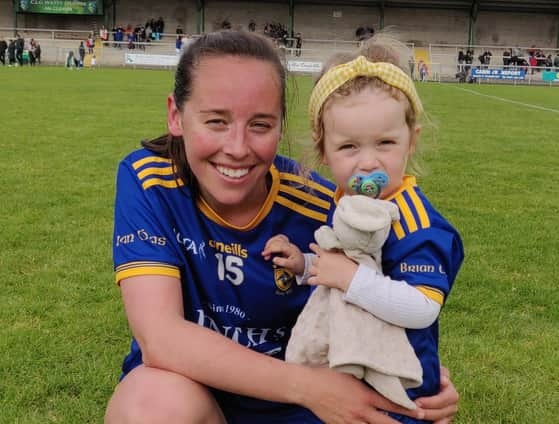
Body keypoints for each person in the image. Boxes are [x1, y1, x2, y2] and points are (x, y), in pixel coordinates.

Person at [105, 30, 459, 424]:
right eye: (216, 121)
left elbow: (397, 302)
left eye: (260, 125)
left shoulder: (335, 208)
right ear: (176, 115)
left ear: (281, 127)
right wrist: (308, 386)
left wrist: (424, 386)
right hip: (206, 393)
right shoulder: (150, 181)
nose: (237, 148)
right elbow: (161, 338)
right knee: (148, 405)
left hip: (298, 412)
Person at [263, 36, 463, 423]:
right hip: (354, 366)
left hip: (400, 384)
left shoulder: (413, 220)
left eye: (385, 143)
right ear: (324, 150)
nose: (368, 162)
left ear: (411, 142)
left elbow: (422, 307)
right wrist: (305, 265)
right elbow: (350, 259)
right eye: (349, 147)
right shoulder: (346, 202)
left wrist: (350, 279)